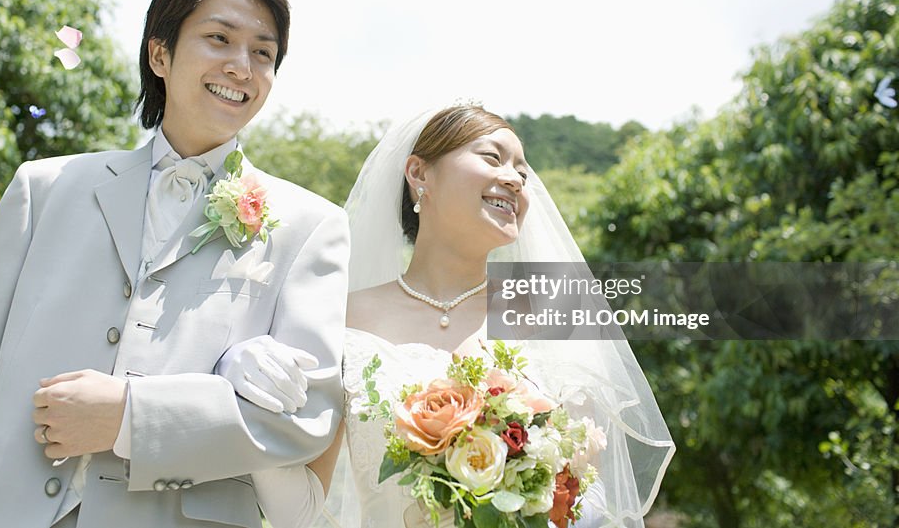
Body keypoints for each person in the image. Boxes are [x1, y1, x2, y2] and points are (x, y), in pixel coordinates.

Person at [0, 0, 349, 528]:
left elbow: (308, 419)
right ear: (160, 54)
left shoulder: (310, 227)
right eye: (219, 38)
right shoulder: (44, 189)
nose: (241, 66)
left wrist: (133, 418)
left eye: (263, 52)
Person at [234, 105, 675, 527]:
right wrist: (254, 404)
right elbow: (299, 513)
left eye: (522, 173)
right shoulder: (345, 320)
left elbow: (581, 505)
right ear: (419, 173)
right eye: (492, 158)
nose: (516, 181)